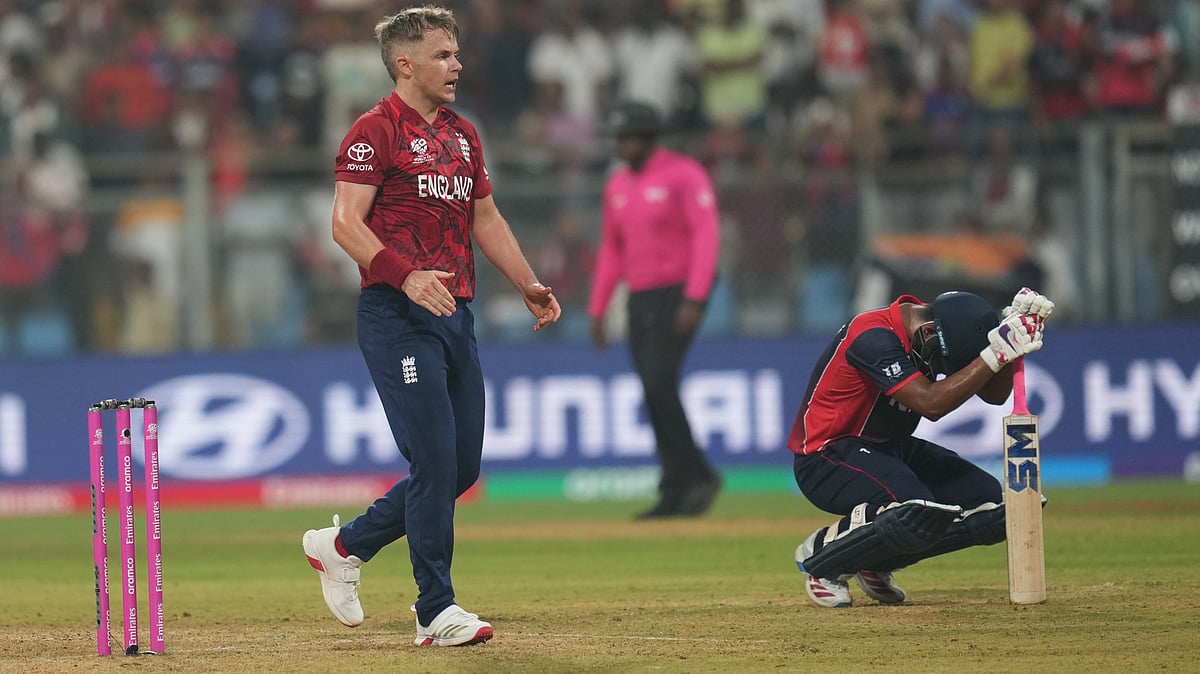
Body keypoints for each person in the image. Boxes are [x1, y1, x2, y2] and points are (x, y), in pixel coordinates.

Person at [301, 6, 560, 647]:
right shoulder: (374, 130)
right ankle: (435, 610)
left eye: (457, 53)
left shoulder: (463, 134)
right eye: (444, 55)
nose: (458, 65)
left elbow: (487, 218)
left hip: (453, 315)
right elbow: (344, 224)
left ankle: (343, 546)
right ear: (405, 64)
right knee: (435, 460)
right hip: (397, 316)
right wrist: (404, 274)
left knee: (459, 469)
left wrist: (526, 282)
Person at [791, 287, 1054, 607]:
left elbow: (994, 395)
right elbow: (929, 403)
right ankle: (824, 559)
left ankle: (876, 562)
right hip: (826, 457)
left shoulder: (936, 335)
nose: (943, 368)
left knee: (994, 508)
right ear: (929, 332)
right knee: (913, 506)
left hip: (891, 450)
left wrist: (1012, 344)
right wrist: (995, 354)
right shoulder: (873, 337)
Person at [588, 100, 722, 520]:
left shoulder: (683, 174)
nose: (622, 145)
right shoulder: (617, 185)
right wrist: (598, 308)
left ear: (648, 137)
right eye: (618, 138)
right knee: (652, 389)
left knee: (659, 382)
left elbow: (706, 236)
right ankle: (676, 485)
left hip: (677, 293)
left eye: (628, 137)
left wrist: (695, 297)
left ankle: (697, 476)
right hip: (640, 297)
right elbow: (613, 249)